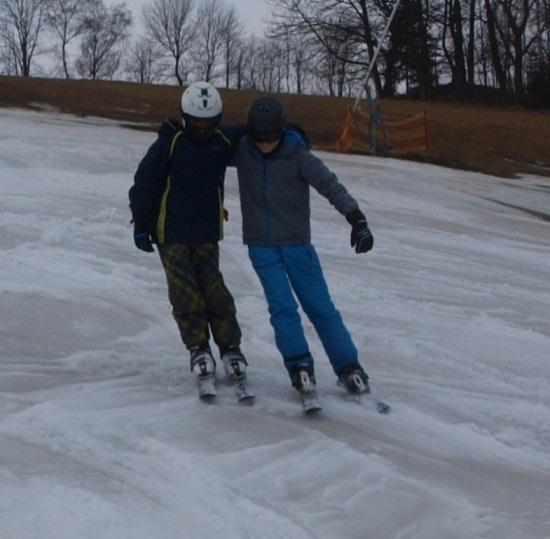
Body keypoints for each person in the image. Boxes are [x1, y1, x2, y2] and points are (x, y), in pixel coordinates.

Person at [232, 96, 374, 398]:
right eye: (260, 138)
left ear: (282, 131)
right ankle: (300, 366)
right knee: (282, 309)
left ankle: (349, 367)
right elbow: (206, 145)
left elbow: (330, 185)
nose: (265, 145)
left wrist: (356, 218)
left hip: (298, 245)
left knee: (320, 307)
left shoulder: (297, 154)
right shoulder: (243, 150)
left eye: (271, 138)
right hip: (261, 246)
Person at [129, 81, 248, 391]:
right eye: (196, 122)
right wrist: (141, 223)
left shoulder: (222, 141)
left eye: (208, 122)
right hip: (172, 233)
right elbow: (144, 183)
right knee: (186, 294)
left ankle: (230, 347)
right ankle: (198, 348)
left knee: (215, 291)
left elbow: (259, 130)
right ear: (185, 117)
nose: (202, 129)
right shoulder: (170, 143)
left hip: (207, 231)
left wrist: (291, 132)